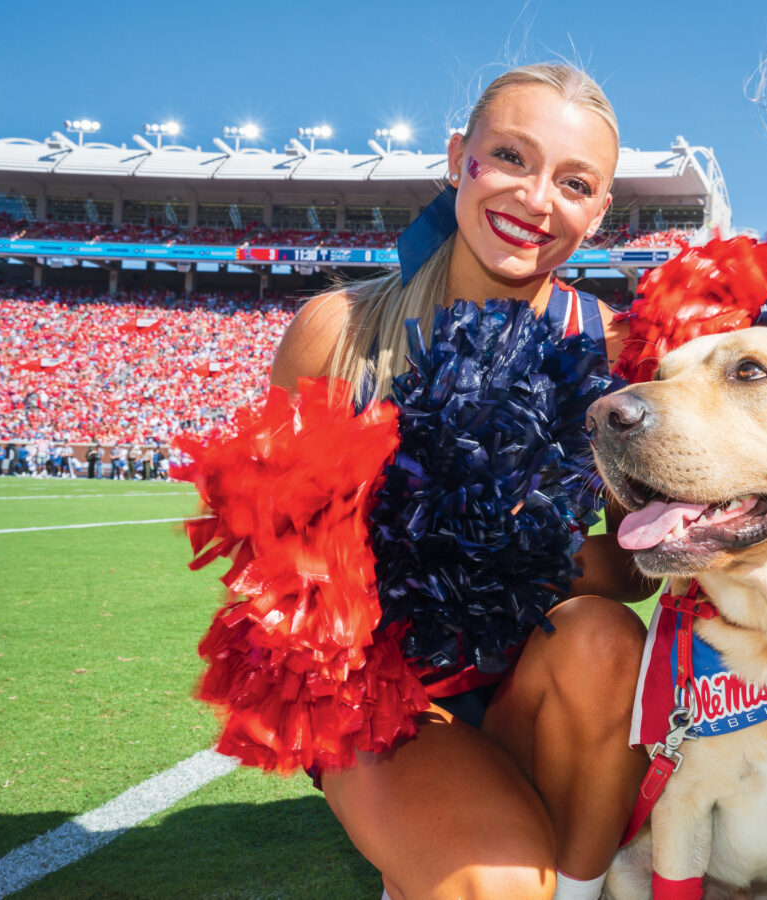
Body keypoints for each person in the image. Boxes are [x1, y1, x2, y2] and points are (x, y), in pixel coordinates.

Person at [267, 64, 650, 900]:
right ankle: (434, 834)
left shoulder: (616, 348)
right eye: (511, 157)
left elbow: (632, 567)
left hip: (540, 677)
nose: (536, 199)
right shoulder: (336, 332)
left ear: (599, 212)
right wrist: (409, 557)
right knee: (495, 886)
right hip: (385, 697)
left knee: (606, 639)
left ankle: (580, 888)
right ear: (457, 158)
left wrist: (518, 562)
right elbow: (274, 578)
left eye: (573, 182)